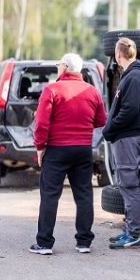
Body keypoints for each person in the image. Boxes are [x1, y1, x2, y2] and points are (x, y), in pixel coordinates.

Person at [30, 53, 106, 255]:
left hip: (56, 150)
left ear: (64, 67)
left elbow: (42, 123)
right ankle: (84, 242)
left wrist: (40, 147)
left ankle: (44, 244)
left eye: (58, 65)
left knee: (50, 196)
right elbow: (101, 120)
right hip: (83, 150)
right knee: (84, 195)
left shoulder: (52, 90)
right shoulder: (92, 92)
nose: (57, 68)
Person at [102, 37, 140, 249]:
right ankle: (128, 230)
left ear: (118, 55)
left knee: (129, 185)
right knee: (126, 185)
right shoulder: (134, 75)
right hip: (126, 137)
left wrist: (109, 128)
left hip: (126, 138)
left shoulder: (134, 77)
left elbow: (129, 111)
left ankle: (133, 235)